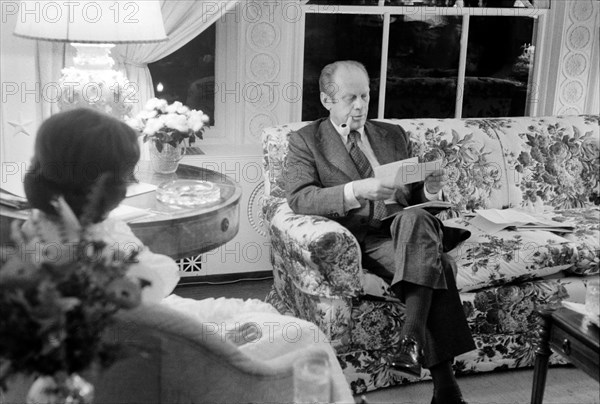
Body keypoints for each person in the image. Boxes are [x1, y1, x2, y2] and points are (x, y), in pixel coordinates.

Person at [9, 108, 352, 400]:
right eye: (123, 175)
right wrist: (218, 339)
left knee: (262, 311)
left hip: (160, 335)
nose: (128, 183)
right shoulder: (95, 252)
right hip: (175, 356)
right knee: (309, 338)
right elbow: (145, 318)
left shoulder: (40, 226)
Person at [285, 60, 474, 404]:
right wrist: (358, 190)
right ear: (327, 100)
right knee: (439, 266)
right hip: (365, 238)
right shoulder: (306, 141)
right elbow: (300, 198)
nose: (359, 106)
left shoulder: (392, 134)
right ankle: (445, 388)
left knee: (414, 220)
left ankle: (411, 340)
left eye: (365, 96)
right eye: (349, 98)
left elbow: (417, 197)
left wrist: (430, 191)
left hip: (408, 226)